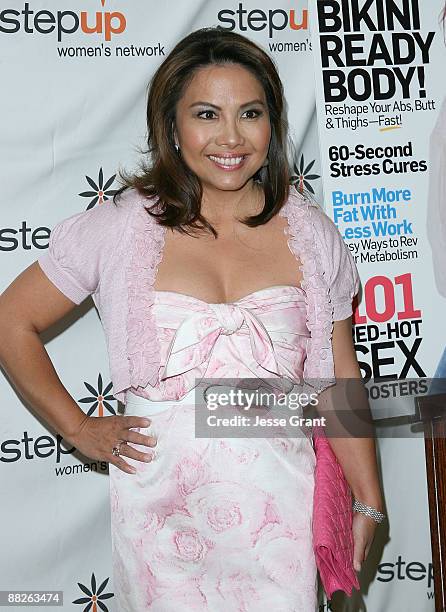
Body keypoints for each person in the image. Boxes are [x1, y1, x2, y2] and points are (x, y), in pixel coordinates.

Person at [0, 27, 384, 611]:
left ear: (271, 124)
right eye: (207, 114)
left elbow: (339, 382)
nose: (230, 137)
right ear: (172, 127)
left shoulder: (311, 232)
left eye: (250, 113)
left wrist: (368, 500)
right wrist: (77, 429)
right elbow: (11, 321)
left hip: (281, 509)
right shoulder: (120, 228)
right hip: (162, 519)